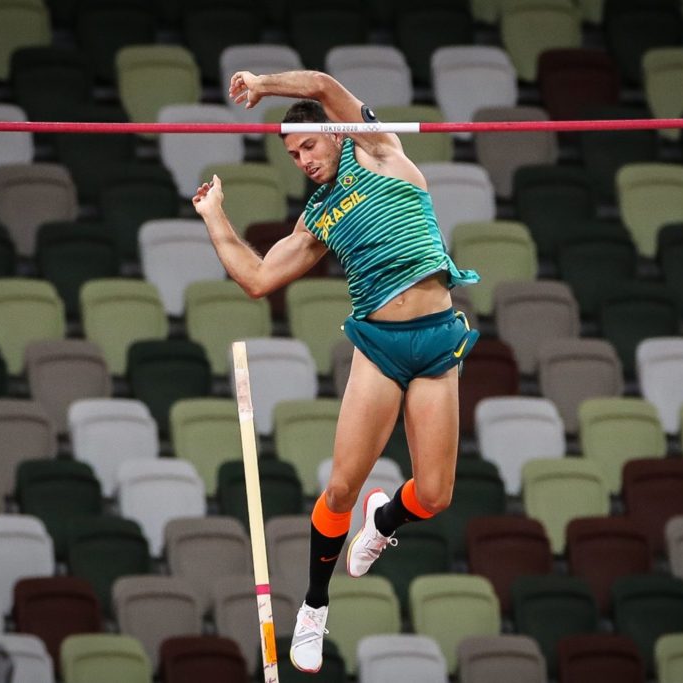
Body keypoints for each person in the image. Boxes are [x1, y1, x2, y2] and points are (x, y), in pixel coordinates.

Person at [192, 69, 480, 674]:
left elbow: (323, 85)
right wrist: (215, 217)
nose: (302, 161)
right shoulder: (317, 218)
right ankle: (314, 608)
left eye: (308, 146)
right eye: (292, 155)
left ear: (334, 135)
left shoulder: (376, 150)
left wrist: (264, 85)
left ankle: (385, 520)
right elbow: (258, 279)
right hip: (380, 346)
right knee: (342, 487)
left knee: (434, 495)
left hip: (436, 339)